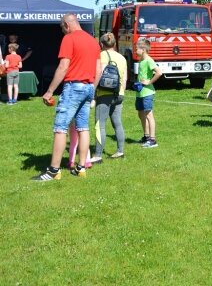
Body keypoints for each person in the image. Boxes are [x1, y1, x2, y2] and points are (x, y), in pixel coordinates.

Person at [33, 13, 101, 181]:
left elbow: (63, 67)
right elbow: (99, 69)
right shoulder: (93, 41)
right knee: (83, 127)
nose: (62, 31)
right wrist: (92, 87)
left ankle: (54, 170)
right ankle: (81, 167)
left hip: (73, 87)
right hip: (89, 86)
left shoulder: (69, 39)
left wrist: (49, 91)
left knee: (60, 128)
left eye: (62, 28)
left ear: (66, 25)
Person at [91, 33, 127, 162]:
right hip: (119, 94)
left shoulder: (101, 56)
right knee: (117, 123)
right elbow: (125, 78)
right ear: (115, 44)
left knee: (100, 124)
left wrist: (93, 91)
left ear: (101, 44)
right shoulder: (122, 58)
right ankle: (120, 151)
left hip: (104, 94)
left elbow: (98, 74)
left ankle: (98, 155)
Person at [135, 38, 162, 148]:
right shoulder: (141, 60)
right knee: (141, 114)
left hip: (147, 92)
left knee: (148, 115)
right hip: (140, 93)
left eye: (137, 48)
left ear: (143, 49)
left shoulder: (149, 60)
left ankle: (152, 140)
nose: (135, 50)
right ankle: (146, 136)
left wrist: (149, 82)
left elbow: (159, 72)